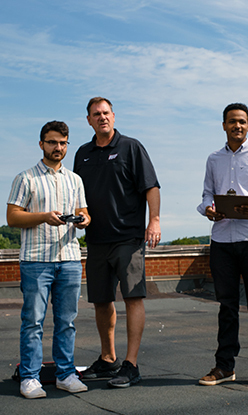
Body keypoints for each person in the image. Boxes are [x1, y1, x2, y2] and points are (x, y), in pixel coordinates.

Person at [73, 97, 161, 388]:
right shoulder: (82, 153)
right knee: (101, 301)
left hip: (128, 238)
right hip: (96, 239)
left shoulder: (131, 147)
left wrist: (154, 221)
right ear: (88, 120)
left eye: (106, 113)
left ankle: (131, 364)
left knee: (133, 298)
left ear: (114, 116)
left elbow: (151, 187)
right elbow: (77, 197)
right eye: (96, 114)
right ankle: (108, 358)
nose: (102, 118)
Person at [196, 103, 248, 388]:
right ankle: (224, 367)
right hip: (222, 238)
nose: (238, 126)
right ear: (223, 125)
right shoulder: (213, 159)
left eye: (243, 122)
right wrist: (208, 209)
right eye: (233, 122)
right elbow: (207, 193)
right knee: (227, 306)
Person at [7, 120, 91, 399]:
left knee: (67, 321)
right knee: (33, 321)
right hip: (35, 259)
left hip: (69, 258)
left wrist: (83, 220)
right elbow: (12, 217)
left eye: (63, 143)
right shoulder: (26, 178)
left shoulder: (75, 179)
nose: (58, 147)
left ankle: (66, 374)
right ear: (41, 144)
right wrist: (44, 216)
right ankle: (30, 378)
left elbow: (83, 211)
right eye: (53, 142)